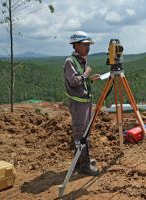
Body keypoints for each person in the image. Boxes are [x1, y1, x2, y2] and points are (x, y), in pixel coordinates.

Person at [63, 31, 100, 176]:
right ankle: (83, 165)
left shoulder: (81, 60)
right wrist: (86, 74)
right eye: (85, 45)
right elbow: (73, 81)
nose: (88, 47)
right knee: (80, 133)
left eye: (88, 45)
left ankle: (80, 160)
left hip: (85, 102)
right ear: (76, 45)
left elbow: (80, 83)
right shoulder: (70, 61)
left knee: (85, 132)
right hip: (78, 104)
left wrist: (90, 79)